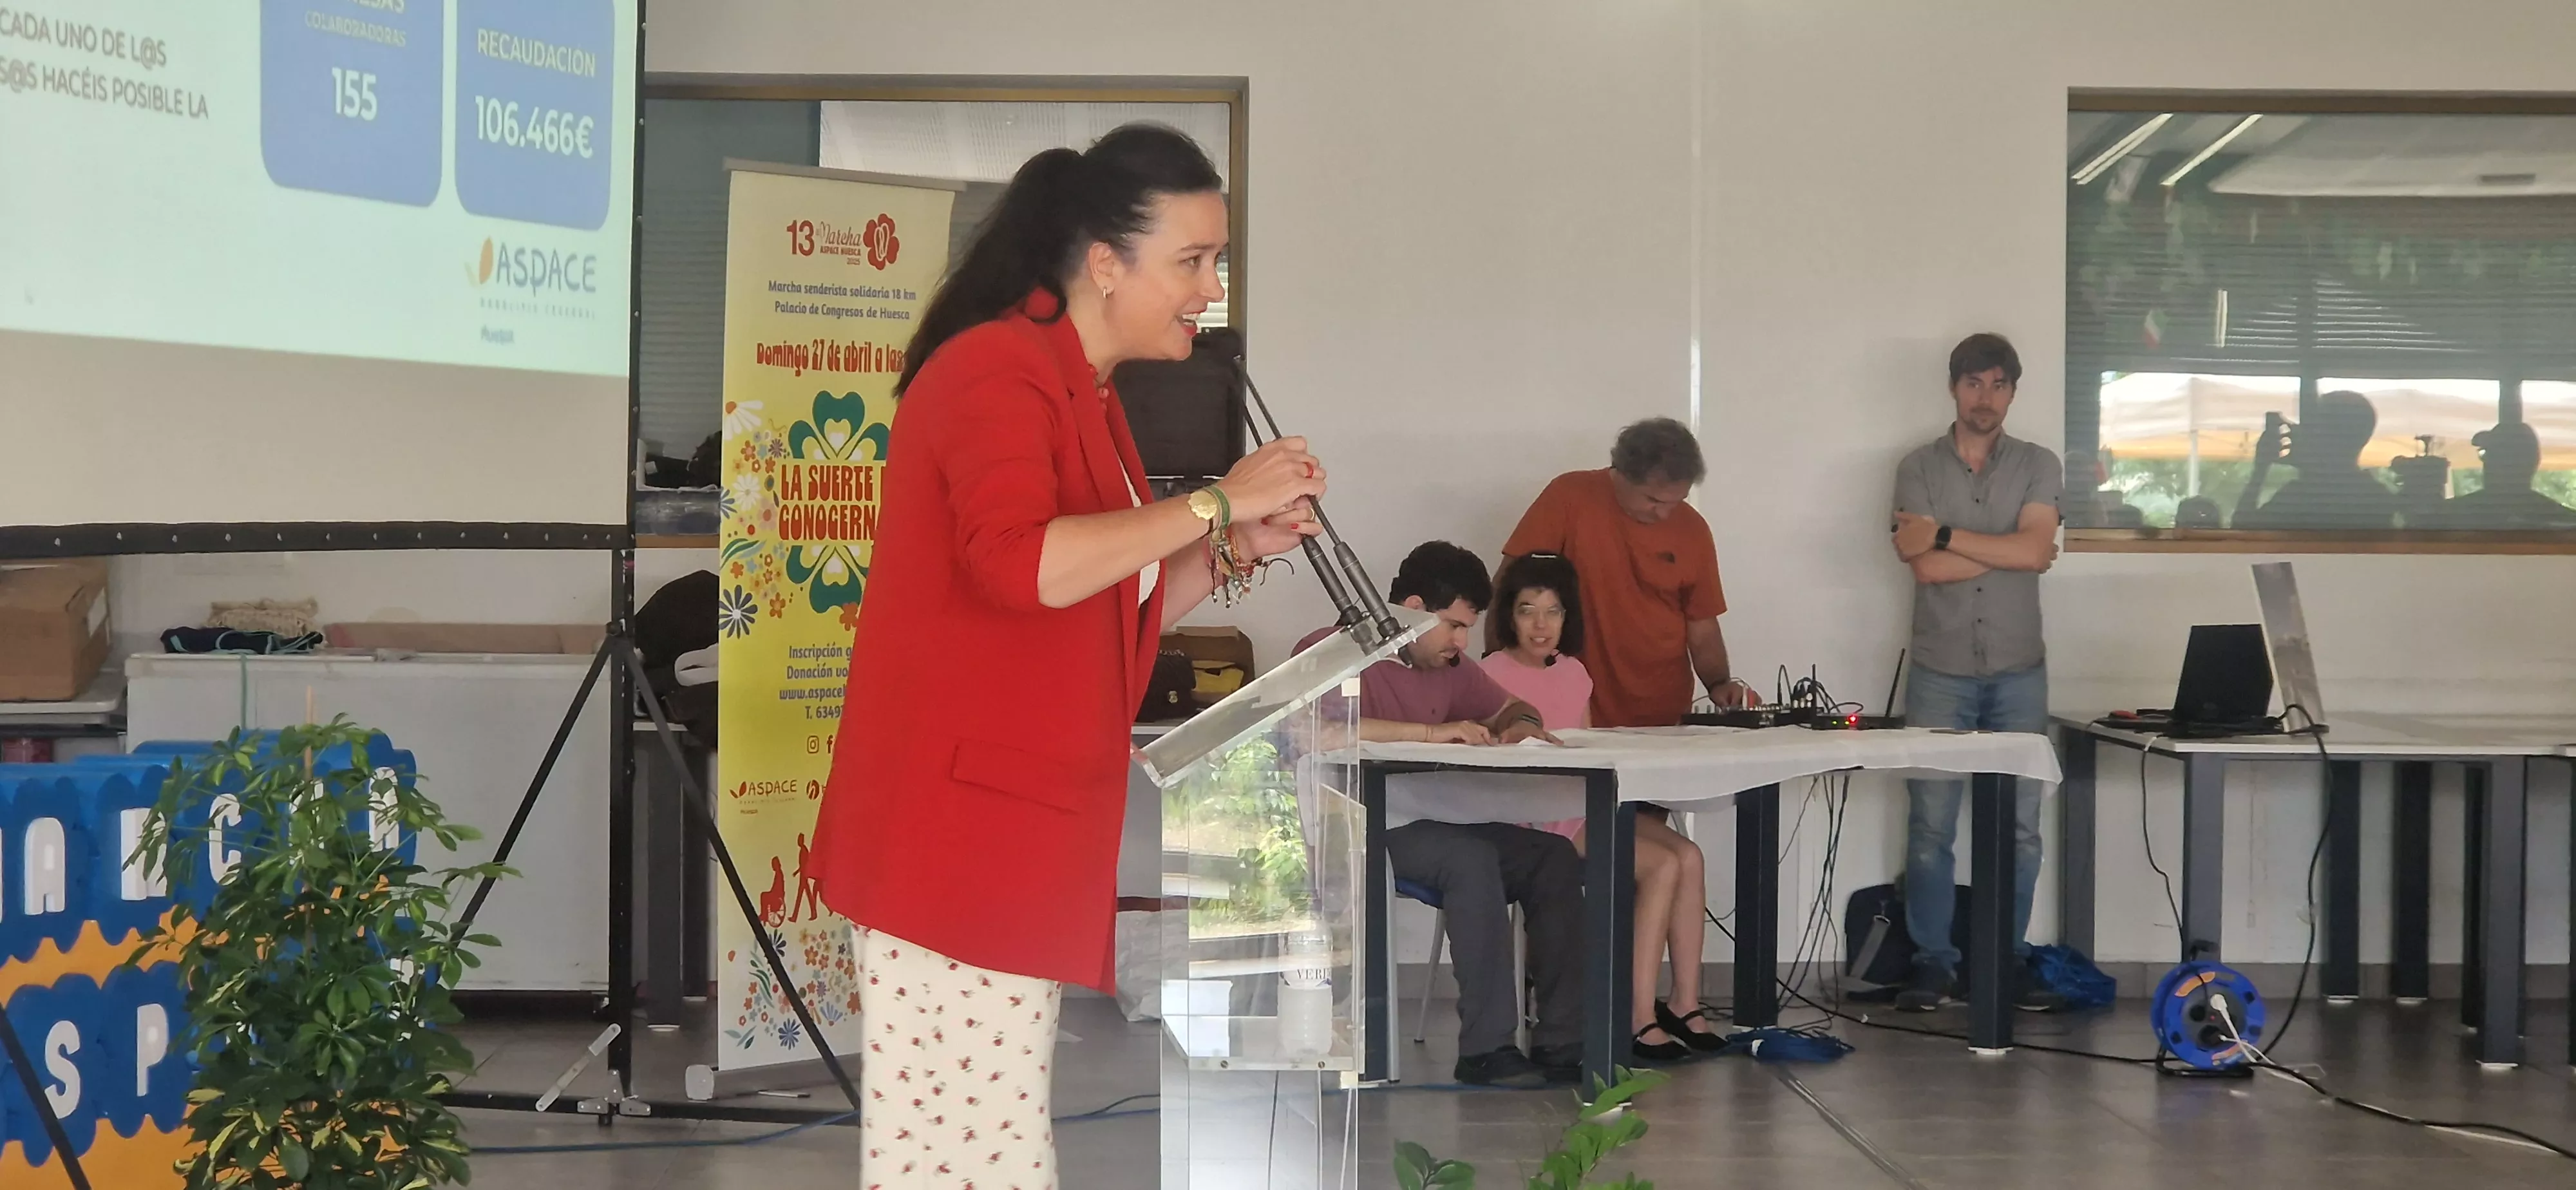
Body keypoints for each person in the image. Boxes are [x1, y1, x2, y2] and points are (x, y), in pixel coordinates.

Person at [808, 124, 1329, 1185]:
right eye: (1191, 261)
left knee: (985, 1151)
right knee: (966, 1158)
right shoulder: (995, 370)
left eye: (1216, 261)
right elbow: (1026, 567)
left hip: (1015, 829)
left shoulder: (1081, 388)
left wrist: (1228, 549)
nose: (1208, 288)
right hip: (958, 836)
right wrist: (1219, 496)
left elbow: (1108, 592)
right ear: (1105, 263)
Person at [1296, 542, 1586, 1087]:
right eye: (1453, 626)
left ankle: (1564, 1039)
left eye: (1467, 628)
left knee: (1552, 856)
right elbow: (1325, 727)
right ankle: (1486, 1049)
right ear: (1410, 608)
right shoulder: (1332, 650)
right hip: (1362, 826)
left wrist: (1520, 722)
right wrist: (1431, 733)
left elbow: (1510, 706)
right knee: (1470, 860)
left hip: (1436, 820)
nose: (1462, 642)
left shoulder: (1451, 668)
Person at [1477, 554, 1721, 1061]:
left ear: (1569, 618)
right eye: (1528, 611)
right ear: (1509, 616)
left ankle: (1685, 1002)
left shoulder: (1575, 672)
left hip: (1586, 805)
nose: (1542, 626)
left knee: (1689, 856)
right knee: (1661, 866)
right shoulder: (1490, 673)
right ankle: (1636, 1016)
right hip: (1537, 816)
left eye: (1554, 612)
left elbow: (1587, 747)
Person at [1889, 332, 2066, 1014]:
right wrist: (2011, 551)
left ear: (2013, 392)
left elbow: (2035, 549)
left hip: (2020, 670)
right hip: (1941, 668)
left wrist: (1944, 534)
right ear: (1953, 388)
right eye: (1972, 383)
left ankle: (2005, 959)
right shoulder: (1916, 468)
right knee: (1931, 824)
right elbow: (1927, 566)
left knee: (2020, 826)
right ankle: (1935, 963)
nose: (1984, 397)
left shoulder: (2037, 464)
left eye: (1997, 384)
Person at [1501, 417, 1754, 726]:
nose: (1664, 513)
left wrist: (1719, 684)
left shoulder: (1694, 530)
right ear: (1619, 474)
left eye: (1677, 502)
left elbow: (1701, 624)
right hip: (1572, 707)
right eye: (1653, 500)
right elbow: (1509, 589)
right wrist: (1499, 675)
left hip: (1664, 714)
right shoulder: (1569, 497)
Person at [2233, 392, 2400, 530]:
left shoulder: (2300, 497)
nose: (2297, 431)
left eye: (2310, 427)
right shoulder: (2376, 497)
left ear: (2328, 437)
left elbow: (2242, 536)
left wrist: (2260, 469)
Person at [2438, 421, 2576, 528]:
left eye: (2493, 455)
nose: (2487, 463)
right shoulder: (2561, 519)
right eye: (2486, 455)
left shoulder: (2450, 515)